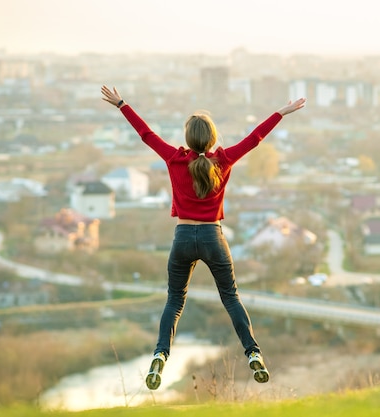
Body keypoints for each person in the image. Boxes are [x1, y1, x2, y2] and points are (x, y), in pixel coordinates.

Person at [101, 85, 306, 389]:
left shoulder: (173, 159)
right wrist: (281, 113)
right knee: (230, 297)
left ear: (187, 138)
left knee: (174, 300)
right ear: (211, 138)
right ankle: (253, 353)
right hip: (213, 237)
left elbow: (145, 134)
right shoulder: (223, 161)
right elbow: (254, 139)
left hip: (183, 237)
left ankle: (160, 354)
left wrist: (121, 104)